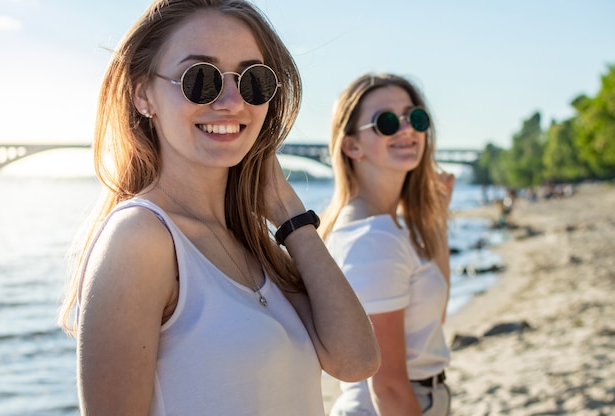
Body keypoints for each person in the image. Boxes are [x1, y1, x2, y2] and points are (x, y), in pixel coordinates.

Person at [58, 1, 380, 414]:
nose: (231, 101)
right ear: (143, 95)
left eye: (254, 81)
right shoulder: (140, 239)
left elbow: (356, 361)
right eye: (200, 79)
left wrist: (291, 217)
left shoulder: (253, 243)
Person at [319, 73, 455, 416]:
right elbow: (388, 387)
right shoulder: (372, 237)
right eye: (387, 122)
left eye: (416, 118)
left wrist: (436, 222)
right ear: (351, 146)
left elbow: (431, 322)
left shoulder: (387, 228)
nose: (407, 129)